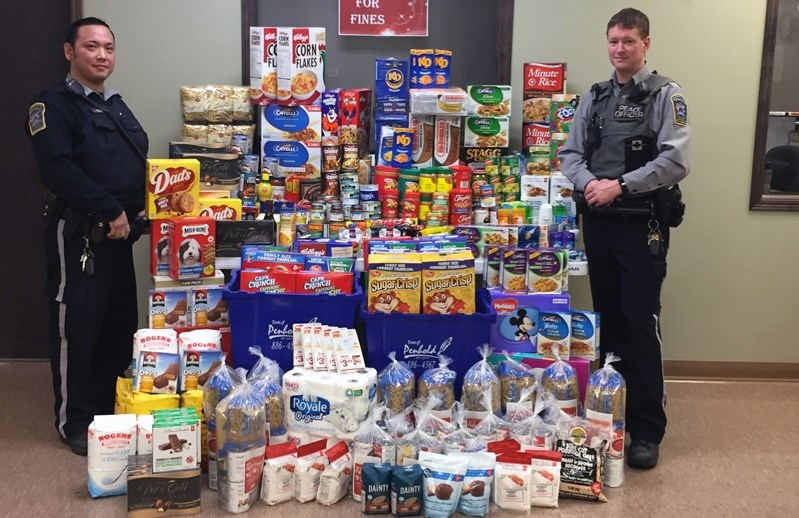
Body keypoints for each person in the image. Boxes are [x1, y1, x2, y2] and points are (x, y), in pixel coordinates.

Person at [559, 8, 690, 469]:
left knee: (640, 322)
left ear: (645, 44)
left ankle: (647, 429)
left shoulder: (664, 95)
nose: (620, 48)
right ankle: (608, 417)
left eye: (629, 41)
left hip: (641, 225)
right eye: (613, 40)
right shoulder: (593, 98)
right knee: (608, 322)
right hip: (599, 222)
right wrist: (591, 181)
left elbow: (676, 161)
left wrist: (621, 185)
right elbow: (569, 154)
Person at [26, 17, 149, 456]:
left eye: (109, 48)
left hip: (119, 238)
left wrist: (150, 207)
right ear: (69, 52)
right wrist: (110, 208)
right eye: (92, 47)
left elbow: (130, 165)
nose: (102, 55)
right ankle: (74, 422)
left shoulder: (114, 105)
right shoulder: (53, 106)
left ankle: (106, 411)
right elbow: (58, 169)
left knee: (117, 328)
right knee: (76, 329)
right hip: (79, 234)